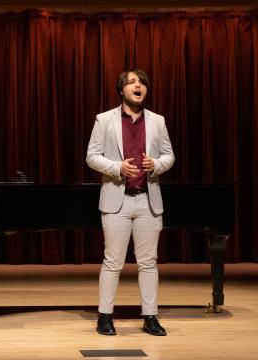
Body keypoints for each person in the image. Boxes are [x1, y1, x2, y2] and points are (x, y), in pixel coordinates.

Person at [86, 69, 175, 336]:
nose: (139, 86)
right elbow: (91, 156)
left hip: (148, 201)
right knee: (113, 261)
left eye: (142, 83)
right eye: (132, 82)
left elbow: (169, 156)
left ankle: (150, 317)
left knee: (149, 262)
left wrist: (156, 165)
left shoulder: (158, 121)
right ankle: (105, 317)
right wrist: (116, 167)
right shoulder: (104, 120)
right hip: (117, 201)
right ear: (122, 90)